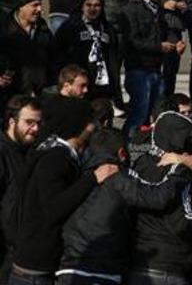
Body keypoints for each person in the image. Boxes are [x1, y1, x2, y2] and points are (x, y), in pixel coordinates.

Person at [57, 128, 192, 285]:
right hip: (100, 268)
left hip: (69, 267)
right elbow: (158, 198)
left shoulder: (79, 176)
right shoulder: (118, 178)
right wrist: (182, 168)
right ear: (122, 153)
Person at [10, 102, 118, 285]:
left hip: (32, 263)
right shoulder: (57, 159)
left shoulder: (48, 153)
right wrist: (92, 178)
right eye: (91, 128)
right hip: (35, 269)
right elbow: (53, 209)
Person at [128, 109, 192, 285]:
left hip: (139, 257)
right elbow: (183, 220)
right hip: (169, 262)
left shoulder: (138, 167)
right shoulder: (179, 174)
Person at [118, 0, 177, 139]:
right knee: (139, 111)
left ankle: (144, 145)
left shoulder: (156, 9)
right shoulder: (131, 9)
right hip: (139, 69)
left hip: (156, 68)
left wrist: (175, 44)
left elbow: (164, 33)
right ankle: (127, 144)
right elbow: (132, 41)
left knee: (154, 112)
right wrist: (158, 47)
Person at [0, 96, 40, 283]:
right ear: (11, 121)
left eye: (38, 123)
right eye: (29, 122)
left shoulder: (31, 152)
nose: (35, 129)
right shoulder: (2, 152)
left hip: (20, 253)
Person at [54, 0, 120, 102]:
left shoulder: (108, 29)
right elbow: (57, 51)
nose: (92, 9)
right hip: (79, 83)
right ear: (82, 6)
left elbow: (113, 58)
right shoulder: (70, 26)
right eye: (88, 5)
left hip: (102, 84)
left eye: (97, 5)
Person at [0, 0, 53, 96]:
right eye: (35, 5)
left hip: (38, 94)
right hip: (10, 94)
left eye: (40, 5)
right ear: (21, 7)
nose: (40, 9)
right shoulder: (5, 30)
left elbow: (53, 56)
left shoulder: (43, 29)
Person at [157, 0, 192, 97]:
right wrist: (164, 3)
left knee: (170, 69)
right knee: (154, 67)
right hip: (158, 26)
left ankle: (167, 101)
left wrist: (184, 7)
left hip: (175, 29)